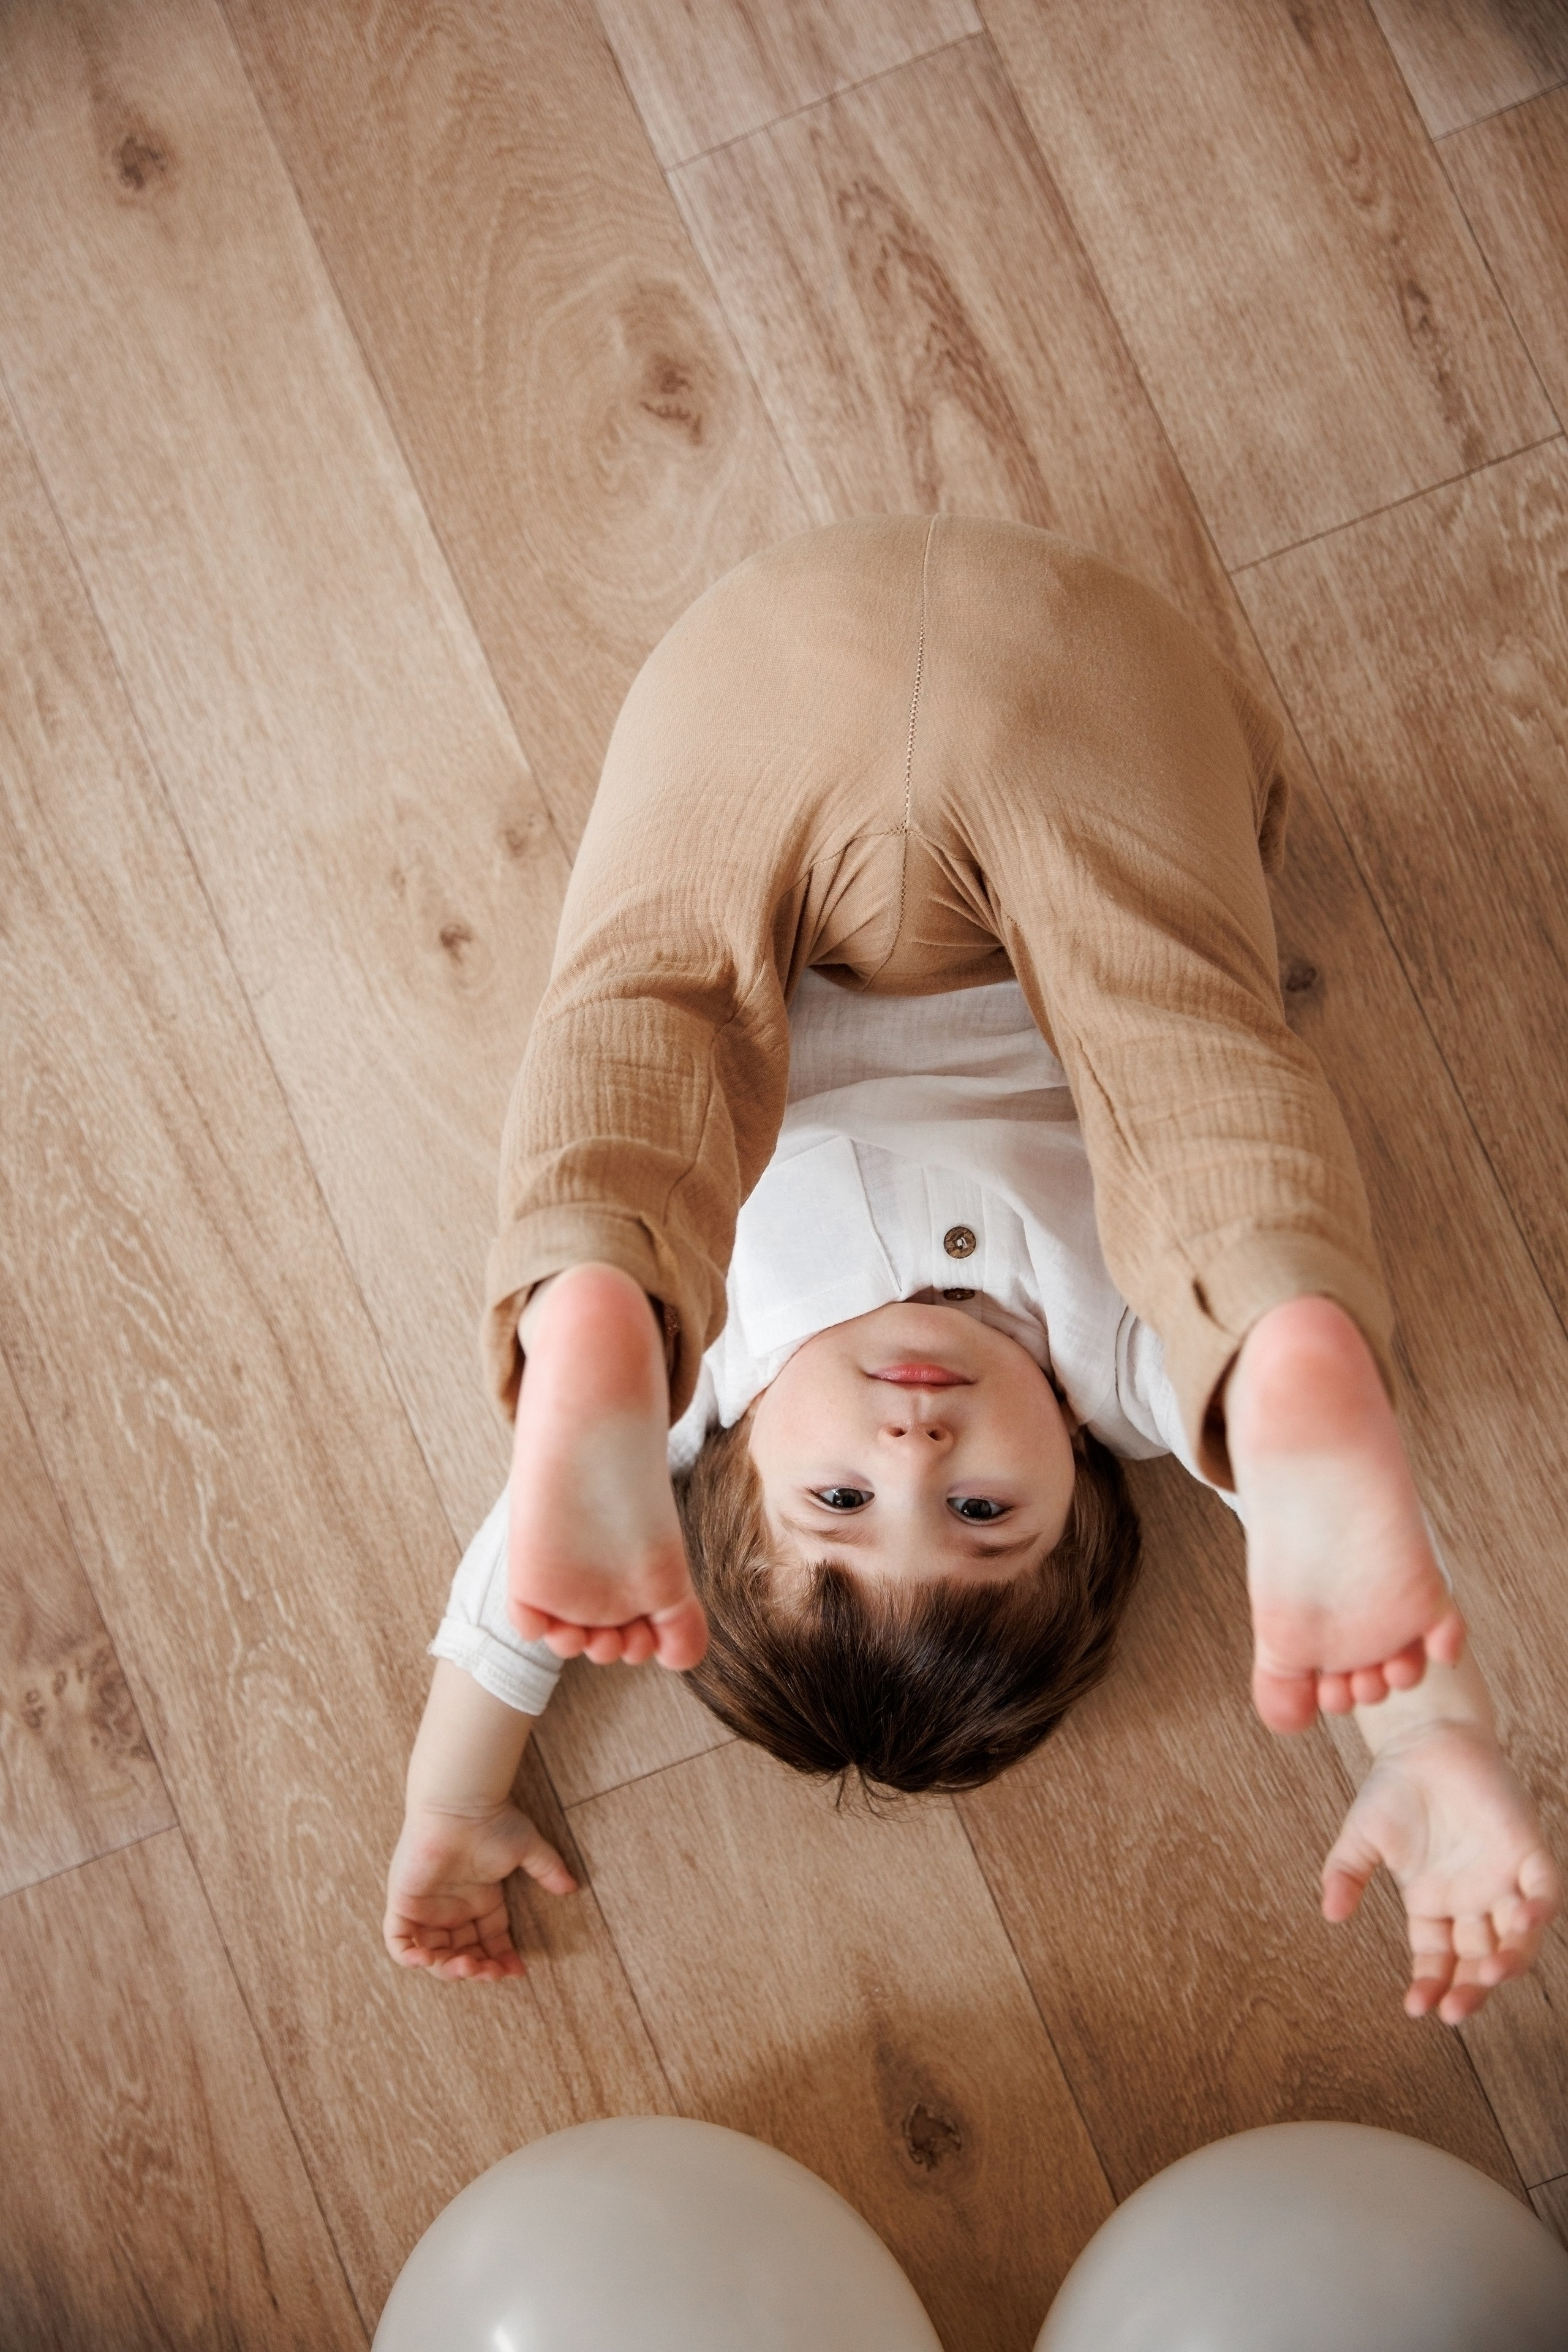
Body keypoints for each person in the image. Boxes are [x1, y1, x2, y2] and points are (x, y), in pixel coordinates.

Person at [383, 517, 1559, 2021]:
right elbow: (1349, 1583)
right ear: (1079, 1475)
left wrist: (449, 1800)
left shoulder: (704, 1373)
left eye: (840, 1506)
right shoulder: (1126, 1369)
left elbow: (512, 1617)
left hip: (751, 719)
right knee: (1180, 1073)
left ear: (722, 1470)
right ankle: (1285, 1335)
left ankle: (591, 1291)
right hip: (1084, 724)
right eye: (984, 1514)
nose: (916, 1449)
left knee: (644, 1025)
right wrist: (1423, 1734)